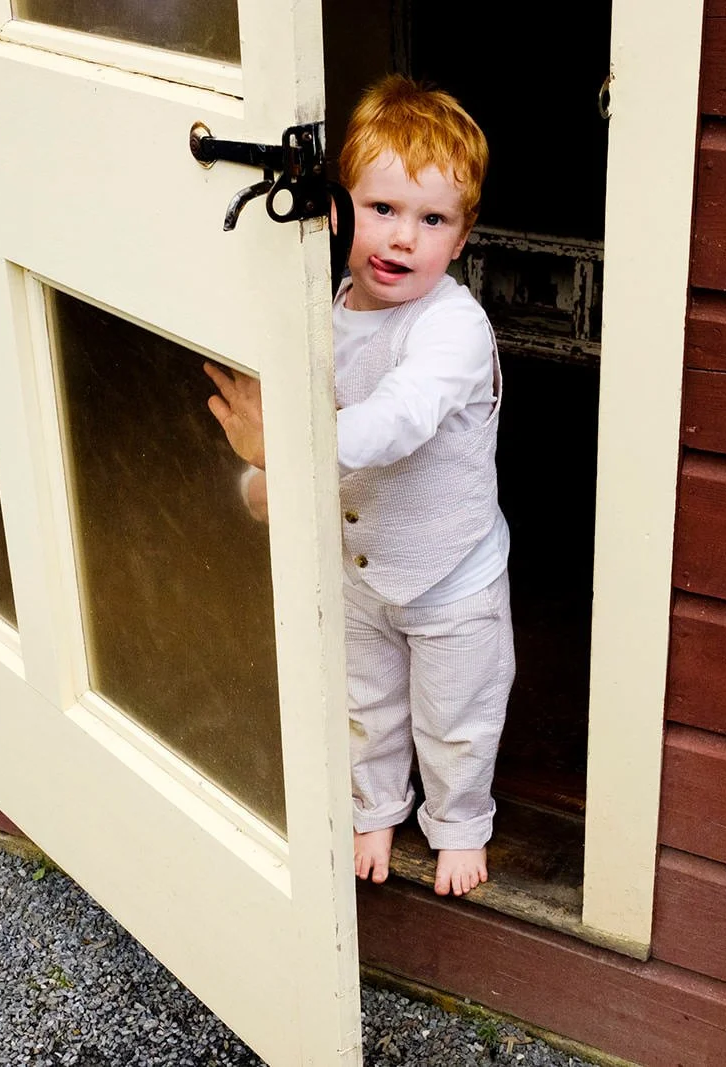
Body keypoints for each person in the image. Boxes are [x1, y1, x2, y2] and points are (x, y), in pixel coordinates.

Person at [204, 74, 511, 898]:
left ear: (461, 237)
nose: (402, 238)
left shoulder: (453, 325)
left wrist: (287, 449)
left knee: (456, 715)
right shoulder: (325, 310)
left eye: (432, 220)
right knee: (365, 702)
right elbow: (300, 423)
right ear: (338, 209)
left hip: (452, 576)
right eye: (382, 210)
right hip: (360, 565)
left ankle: (458, 822)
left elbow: (397, 419)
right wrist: (264, 472)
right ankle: (374, 804)